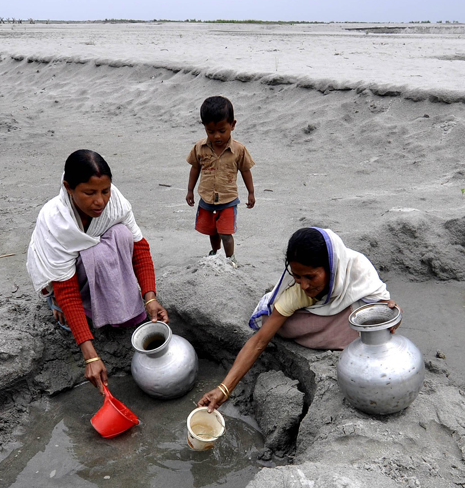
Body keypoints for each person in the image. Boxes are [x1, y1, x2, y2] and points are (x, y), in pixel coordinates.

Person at [197, 227, 395, 412]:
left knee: (364, 317)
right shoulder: (296, 291)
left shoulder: (358, 269)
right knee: (279, 324)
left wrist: (393, 315)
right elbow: (259, 341)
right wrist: (224, 389)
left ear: (332, 268)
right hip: (312, 320)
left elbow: (384, 307)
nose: (304, 286)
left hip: (344, 315)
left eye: (311, 277)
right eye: (297, 277)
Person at [26, 149, 168, 393]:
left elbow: (140, 248)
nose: (100, 201)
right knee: (94, 255)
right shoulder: (56, 221)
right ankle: (59, 303)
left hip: (91, 263)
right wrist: (90, 356)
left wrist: (150, 297)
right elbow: (67, 289)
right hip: (67, 278)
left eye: (105, 191)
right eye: (89, 193)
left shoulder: (116, 203)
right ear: (68, 187)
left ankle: (113, 305)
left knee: (122, 234)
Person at [185, 96, 256, 268]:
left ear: (232, 125)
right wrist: (189, 191)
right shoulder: (200, 148)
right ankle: (215, 253)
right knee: (212, 231)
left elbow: (246, 171)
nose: (216, 136)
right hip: (207, 198)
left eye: (222, 131)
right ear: (205, 128)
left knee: (225, 232)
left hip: (228, 198)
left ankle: (230, 257)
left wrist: (251, 192)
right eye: (210, 131)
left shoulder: (238, 150)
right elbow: (195, 168)